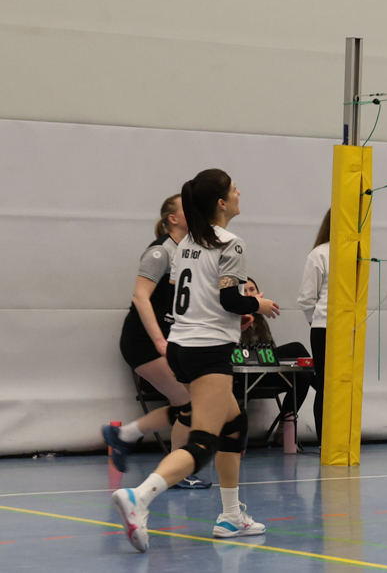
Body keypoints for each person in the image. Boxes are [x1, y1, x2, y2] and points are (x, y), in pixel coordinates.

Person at [111, 169, 280, 552]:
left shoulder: (186, 242)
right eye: (234, 189)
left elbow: (192, 295)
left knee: (234, 424)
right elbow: (230, 299)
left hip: (181, 347)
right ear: (221, 202)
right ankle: (140, 496)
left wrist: (235, 317)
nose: (239, 192)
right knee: (203, 441)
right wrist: (259, 305)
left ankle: (231, 517)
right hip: (208, 350)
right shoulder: (231, 244)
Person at [102, 194, 210, 489]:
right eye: (187, 208)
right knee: (189, 403)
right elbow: (141, 297)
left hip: (170, 341)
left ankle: (126, 436)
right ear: (172, 219)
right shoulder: (161, 252)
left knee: (188, 405)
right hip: (143, 341)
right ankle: (175, 469)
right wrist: (160, 341)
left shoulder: (190, 252)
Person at [241, 278, 314, 443]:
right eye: (244, 291)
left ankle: (284, 425)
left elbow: (270, 355)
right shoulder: (232, 318)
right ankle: (324, 389)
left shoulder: (260, 321)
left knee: (304, 376)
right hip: (243, 375)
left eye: (252, 289)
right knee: (296, 348)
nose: (249, 294)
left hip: (263, 372)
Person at [296, 209, 330, 444]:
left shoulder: (358, 254)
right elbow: (307, 299)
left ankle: (344, 439)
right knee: (326, 385)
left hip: (351, 329)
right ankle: (325, 443)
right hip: (324, 329)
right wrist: (317, 321)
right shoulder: (320, 254)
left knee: (345, 386)